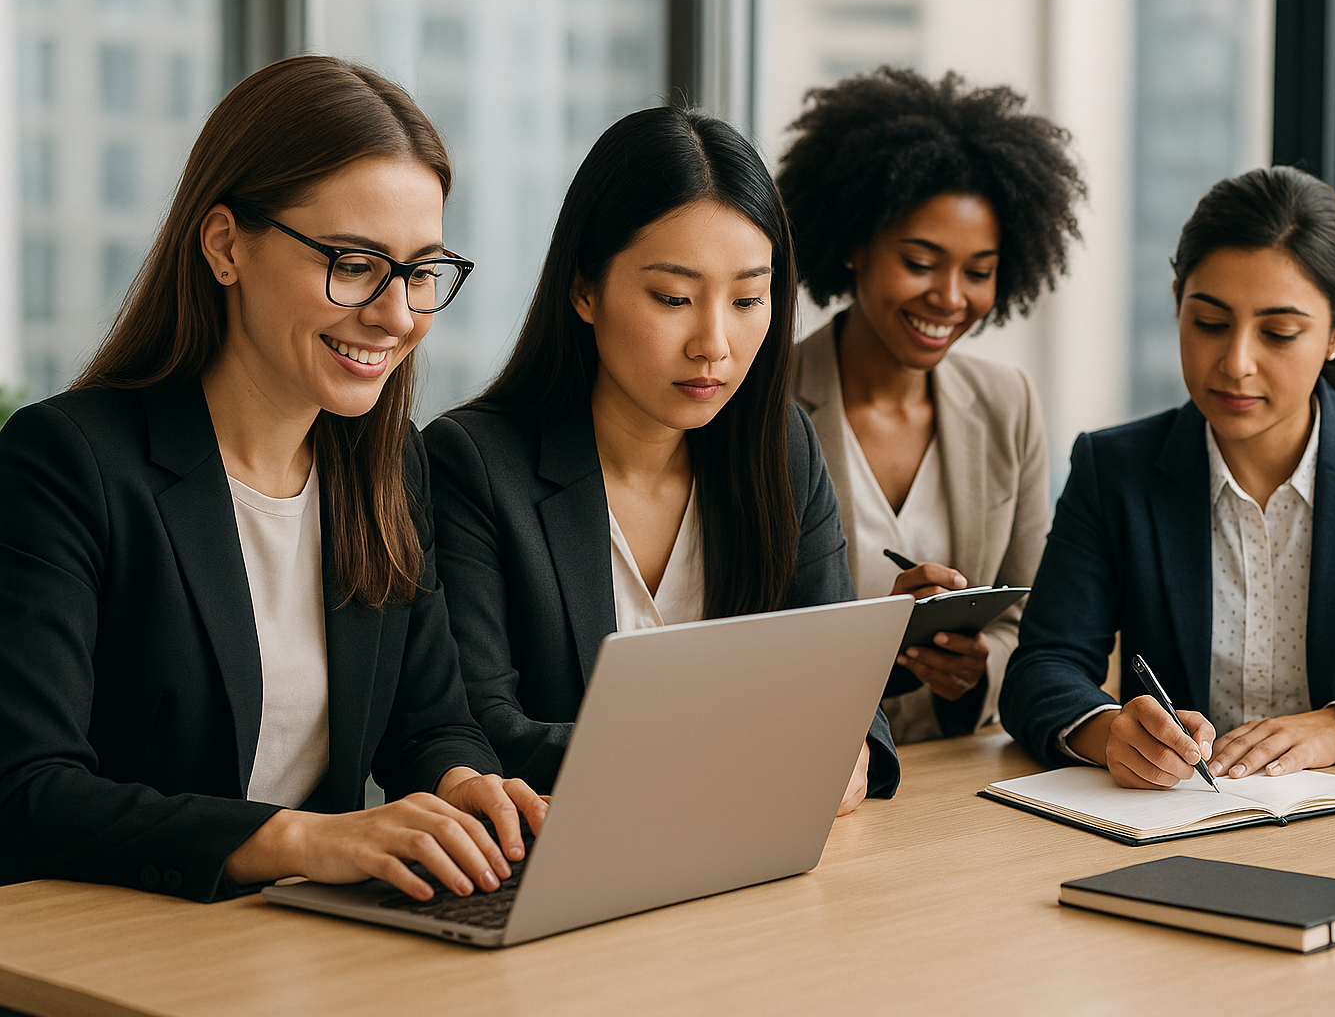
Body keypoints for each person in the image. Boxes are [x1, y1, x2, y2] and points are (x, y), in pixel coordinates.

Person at [0, 56, 544, 904]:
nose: (398, 316)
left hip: (304, 947)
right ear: (225, 245)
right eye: (355, 264)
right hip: (125, 945)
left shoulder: (386, 463)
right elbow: (25, 791)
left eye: (421, 272)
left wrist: (464, 784)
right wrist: (303, 839)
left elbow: (429, 721)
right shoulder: (68, 464)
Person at [999, 165, 1335, 788]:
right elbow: (1042, 668)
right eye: (1209, 323)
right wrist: (1112, 733)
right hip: (1175, 819)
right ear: (1177, 302)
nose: (1236, 363)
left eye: (1279, 332)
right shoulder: (1113, 469)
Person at [425, 106, 897, 811]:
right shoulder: (474, 464)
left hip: (754, 864)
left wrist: (852, 746)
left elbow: (839, 684)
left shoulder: (782, 447)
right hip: (564, 863)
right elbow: (482, 730)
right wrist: (733, 761)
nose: (715, 342)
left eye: (747, 299)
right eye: (674, 297)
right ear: (585, 287)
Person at [776, 67, 1084, 743]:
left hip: (959, 769)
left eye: (978, 272)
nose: (950, 297)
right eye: (920, 261)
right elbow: (737, 633)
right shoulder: (763, 404)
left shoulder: (1009, 403)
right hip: (810, 759)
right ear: (855, 245)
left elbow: (1029, 622)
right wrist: (872, 642)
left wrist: (977, 672)